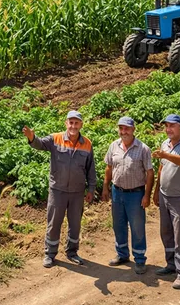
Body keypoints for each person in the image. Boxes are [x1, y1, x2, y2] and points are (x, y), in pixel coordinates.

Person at [23, 111, 96, 268]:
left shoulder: (87, 144)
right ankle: (50, 253)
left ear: (81, 125)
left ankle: (72, 252)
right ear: (66, 123)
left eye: (76, 123)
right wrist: (31, 138)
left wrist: (91, 189)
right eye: (71, 122)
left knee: (75, 224)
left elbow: (91, 170)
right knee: (54, 223)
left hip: (77, 192)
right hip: (58, 191)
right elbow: (40, 144)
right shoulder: (55, 139)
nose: (73, 126)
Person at [102, 116, 154, 275]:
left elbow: (150, 173)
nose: (123, 131)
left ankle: (139, 259)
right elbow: (109, 168)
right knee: (118, 224)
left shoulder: (143, 149)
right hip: (117, 192)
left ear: (133, 130)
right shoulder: (113, 146)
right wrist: (105, 187)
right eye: (121, 128)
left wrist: (147, 195)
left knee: (137, 227)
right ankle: (122, 254)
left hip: (135, 194)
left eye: (127, 128)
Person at [153, 113, 180, 290]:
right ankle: (171, 265)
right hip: (165, 195)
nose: (168, 129)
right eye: (166, 126)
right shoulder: (165, 144)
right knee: (166, 232)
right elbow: (162, 167)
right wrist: (156, 190)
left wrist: (165, 154)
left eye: (172, 126)